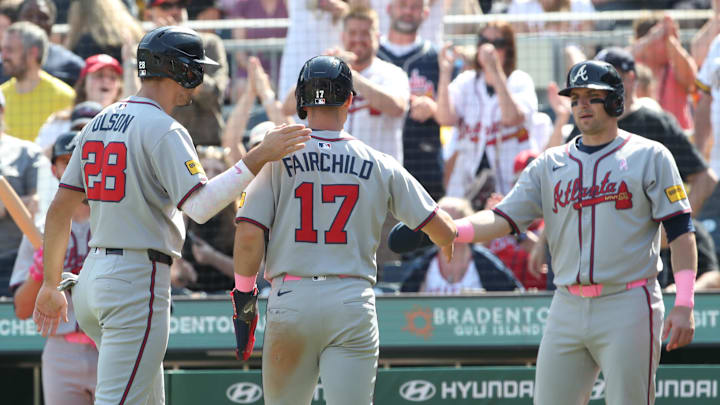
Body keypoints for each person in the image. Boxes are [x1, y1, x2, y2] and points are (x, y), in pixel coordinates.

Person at [31, 26, 310, 404]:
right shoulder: (164, 128)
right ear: (177, 69)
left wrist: (50, 284)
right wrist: (259, 155)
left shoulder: (100, 120)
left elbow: (59, 209)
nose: (197, 81)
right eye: (194, 69)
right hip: (135, 280)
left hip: (92, 280)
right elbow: (201, 205)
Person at [390, 60, 697, 404]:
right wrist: (448, 228)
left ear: (615, 102)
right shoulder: (550, 164)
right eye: (576, 97)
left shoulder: (650, 155)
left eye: (592, 97)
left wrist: (684, 302)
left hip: (628, 301)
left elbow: (682, 230)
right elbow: (501, 218)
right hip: (566, 303)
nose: (582, 104)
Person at [232, 55, 456, 405]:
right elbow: (441, 227)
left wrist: (244, 296)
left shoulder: (276, 156)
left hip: (292, 298)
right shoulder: (378, 161)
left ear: (302, 102)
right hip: (351, 299)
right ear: (351, 99)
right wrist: (447, 239)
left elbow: (248, 234)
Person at [10, 131, 97, 405]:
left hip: (111, 344)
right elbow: (22, 309)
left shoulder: (118, 220)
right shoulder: (37, 230)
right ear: (53, 169)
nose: (73, 168)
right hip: (61, 351)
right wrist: (41, 270)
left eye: (80, 160)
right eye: (65, 161)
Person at [436, 20, 539, 197]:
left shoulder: (520, 81)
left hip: (510, 184)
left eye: (496, 44)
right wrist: (445, 73)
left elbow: (511, 117)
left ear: (508, 49)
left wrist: (495, 70)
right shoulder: (466, 81)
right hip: (467, 183)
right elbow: (444, 118)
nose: (488, 49)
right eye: (484, 41)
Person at [377, 0, 451, 200]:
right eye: (403, 4)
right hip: (377, 160)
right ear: (389, 8)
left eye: (415, 6)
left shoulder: (437, 57)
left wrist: (433, 108)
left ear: (425, 13)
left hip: (424, 163)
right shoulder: (371, 54)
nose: (408, 11)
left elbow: (453, 115)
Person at [145, 0, 229, 146]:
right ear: (149, 14)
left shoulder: (209, 43)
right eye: (166, 6)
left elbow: (214, 96)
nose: (175, 11)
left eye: (180, 4)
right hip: (159, 143)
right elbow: (141, 100)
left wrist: (179, 50)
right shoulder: (142, 49)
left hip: (206, 147)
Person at [398, 196, 523, 293]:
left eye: (450, 221)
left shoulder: (487, 264)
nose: (443, 227)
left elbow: (514, 295)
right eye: (438, 222)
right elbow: (402, 302)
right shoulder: (423, 266)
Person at [0, 21, 75, 142]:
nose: (3, 56)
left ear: (32, 53)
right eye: (2, 49)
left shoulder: (65, 97)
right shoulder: (1, 96)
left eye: (10, 50)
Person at [0, 89, 42, 296]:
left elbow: (38, 203)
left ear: (3, 111)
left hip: (15, 259)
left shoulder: (26, 151)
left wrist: (6, 204)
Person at [631, 15, 697, 130]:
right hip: (641, 138)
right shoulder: (632, 67)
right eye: (663, 38)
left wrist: (673, 41)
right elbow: (617, 62)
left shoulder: (675, 65)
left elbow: (691, 80)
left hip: (676, 140)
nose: (668, 43)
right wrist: (651, 37)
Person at [17, 0, 85, 86]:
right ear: (18, 21)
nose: (35, 22)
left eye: (43, 17)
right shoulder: (4, 63)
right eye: (29, 16)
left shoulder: (70, 64)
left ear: (52, 23)